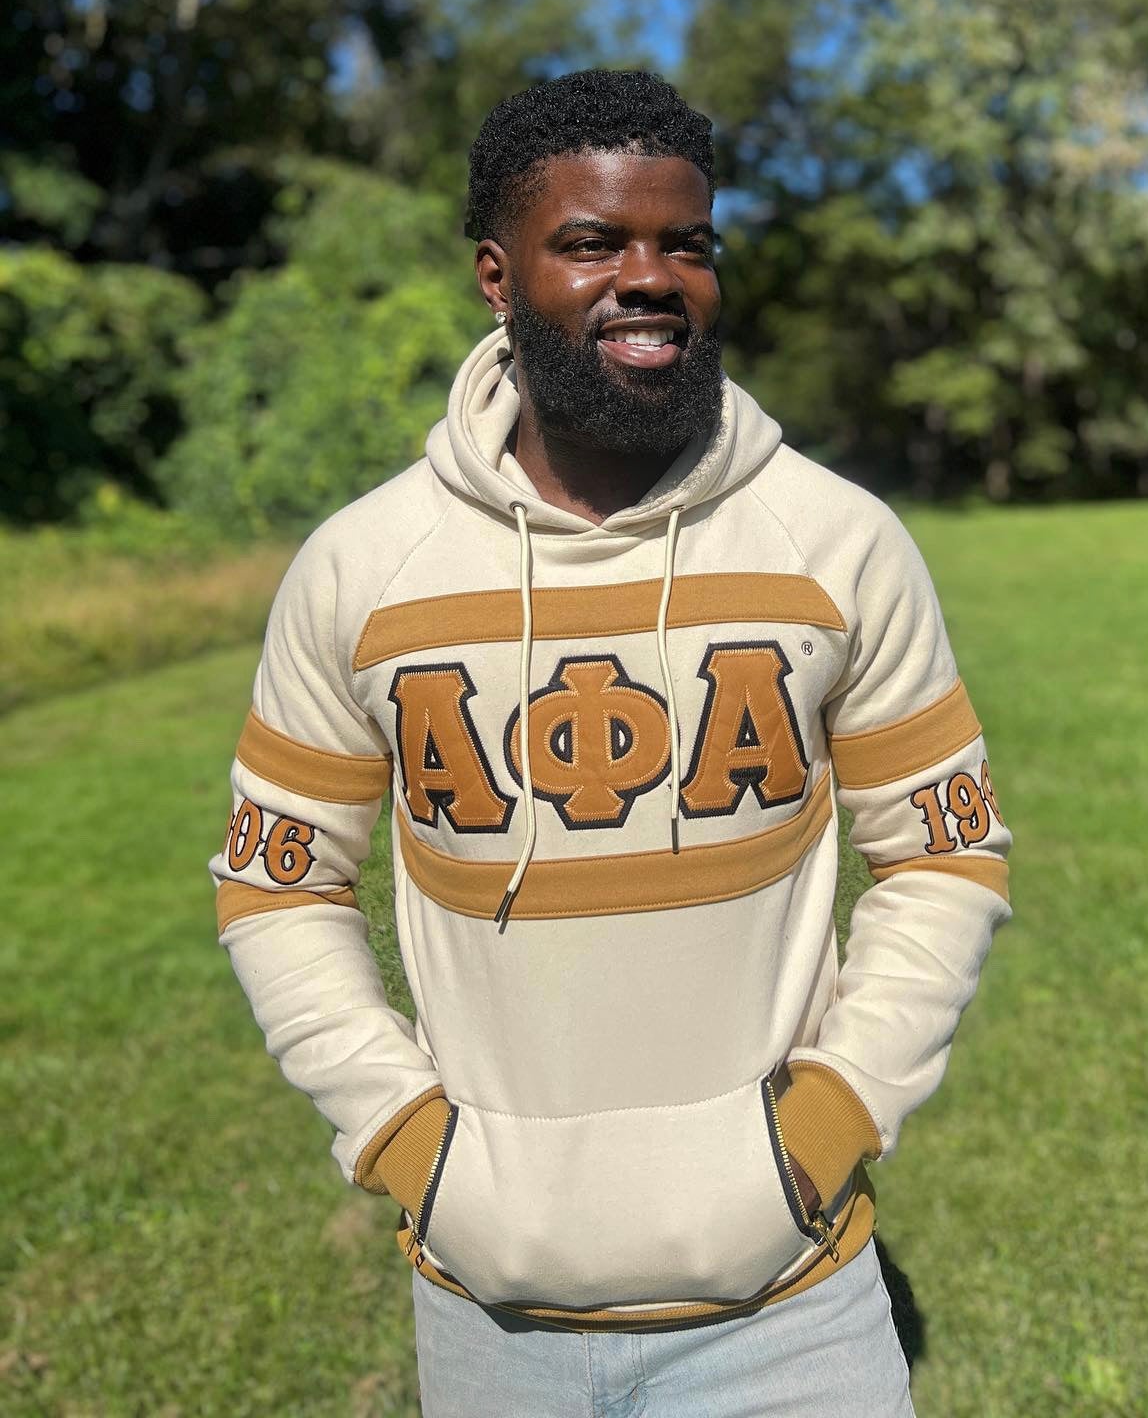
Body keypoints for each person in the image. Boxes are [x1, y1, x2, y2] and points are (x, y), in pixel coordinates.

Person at [211, 68, 1013, 1416]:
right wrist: (410, 1142)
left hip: (792, 1304)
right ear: (497, 274)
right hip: (488, 1310)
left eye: (686, 244)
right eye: (593, 242)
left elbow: (945, 857)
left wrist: (827, 1124)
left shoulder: (838, 542)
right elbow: (276, 883)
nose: (650, 278)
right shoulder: (362, 568)